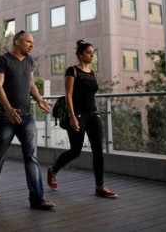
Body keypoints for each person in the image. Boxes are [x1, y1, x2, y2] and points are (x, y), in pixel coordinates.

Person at [0, 30, 55, 210]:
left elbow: (31, 84)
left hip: (27, 117)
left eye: (32, 42)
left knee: (32, 157)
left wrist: (39, 100)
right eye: (28, 42)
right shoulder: (2, 60)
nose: (31, 45)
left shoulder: (30, 61)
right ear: (17, 42)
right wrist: (8, 109)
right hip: (6, 117)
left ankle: (37, 199)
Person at [47, 40, 118, 199]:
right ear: (80, 54)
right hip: (77, 115)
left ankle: (100, 186)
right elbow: (68, 95)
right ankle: (53, 170)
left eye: (93, 52)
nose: (92, 55)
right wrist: (72, 116)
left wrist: (94, 111)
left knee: (98, 150)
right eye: (88, 52)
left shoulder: (93, 74)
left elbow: (91, 95)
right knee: (76, 150)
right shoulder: (72, 71)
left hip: (93, 114)